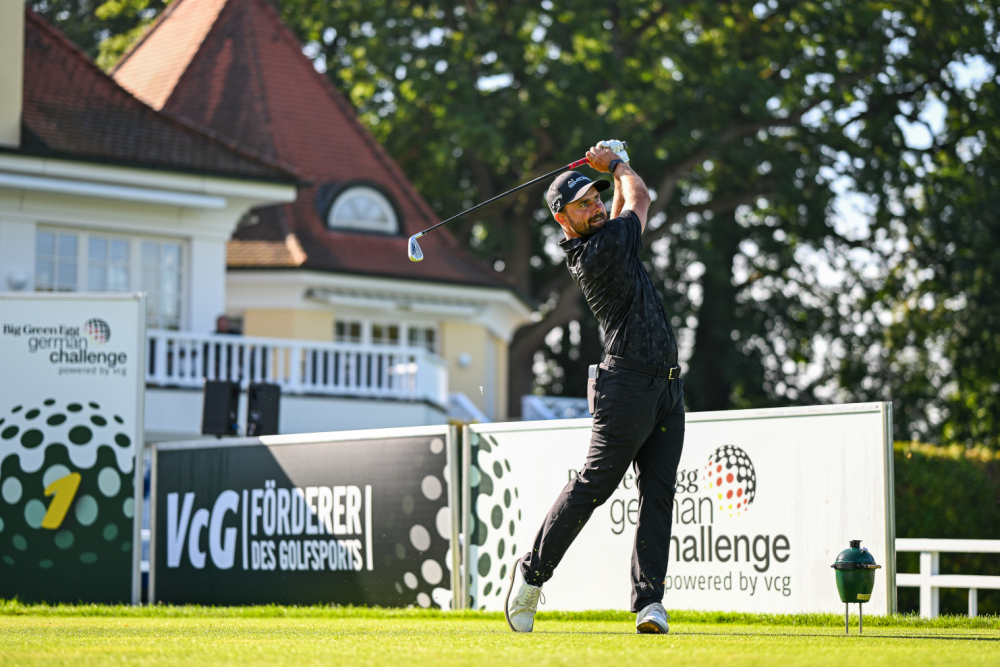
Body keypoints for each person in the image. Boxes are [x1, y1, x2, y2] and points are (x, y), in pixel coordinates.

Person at [505, 142, 685, 634]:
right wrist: (619, 162)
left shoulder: (611, 235)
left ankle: (650, 602)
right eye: (583, 204)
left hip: (667, 386)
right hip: (625, 386)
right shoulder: (597, 251)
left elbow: (627, 206)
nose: (597, 207)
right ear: (563, 221)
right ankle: (531, 576)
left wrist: (613, 171)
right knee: (593, 487)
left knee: (659, 494)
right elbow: (640, 198)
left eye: (597, 198)